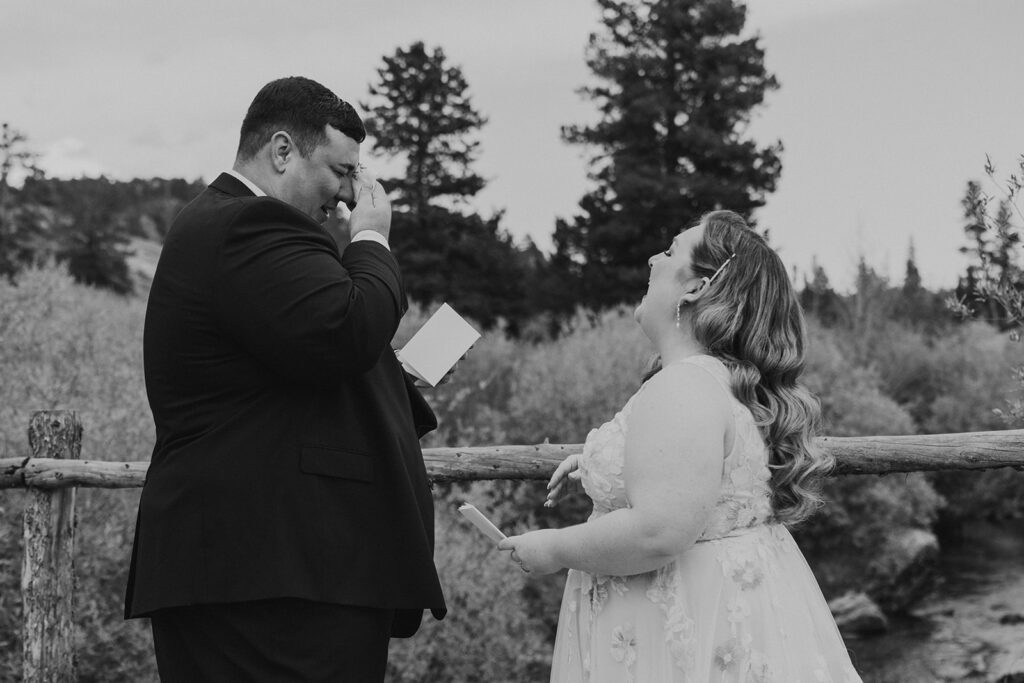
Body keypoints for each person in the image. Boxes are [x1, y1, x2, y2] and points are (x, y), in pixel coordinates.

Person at [124, 76, 446, 682]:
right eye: (341, 170)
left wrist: (391, 377)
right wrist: (373, 238)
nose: (350, 195)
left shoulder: (239, 228)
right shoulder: (249, 225)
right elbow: (347, 328)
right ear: (280, 151)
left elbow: (305, 363)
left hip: (274, 568)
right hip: (268, 570)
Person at [499, 210, 863, 682]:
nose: (653, 258)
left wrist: (552, 548)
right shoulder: (723, 382)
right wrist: (600, 468)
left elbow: (658, 531)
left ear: (697, 287)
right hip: (731, 611)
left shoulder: (683, 387)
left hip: (683, 629)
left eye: (670, 251)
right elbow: (693, 481)